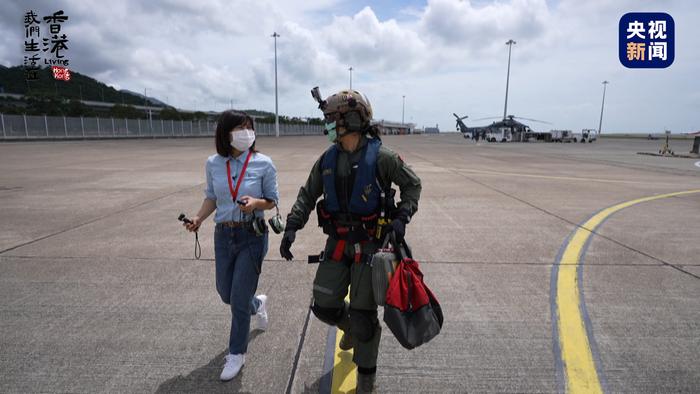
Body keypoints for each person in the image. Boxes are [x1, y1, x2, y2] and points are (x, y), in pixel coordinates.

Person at [280, 89, 421, 393]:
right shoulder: (328, 158)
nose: (328, 124)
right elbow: (308, 194)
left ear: (353, 119)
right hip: (337, 245)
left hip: (371, 247)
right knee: (324, 305)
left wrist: (402, 218)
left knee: (363, 318)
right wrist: (292, 226)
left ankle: (366, 382)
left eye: (332, 118)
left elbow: (413, 185)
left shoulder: (382, 158)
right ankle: (349, 329)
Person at [183, 110, 279, 381]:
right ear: (225, 133)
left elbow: (271, 200)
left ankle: (237, 353)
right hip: (223, 236)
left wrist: (256, 203)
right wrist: (198, 218)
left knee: (236, 298)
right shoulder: (213, 163)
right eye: (240, 128)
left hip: (252, 236)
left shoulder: (264, 163)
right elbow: (212, 197)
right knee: (226, 293)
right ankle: (257, 304)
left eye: (249, 127)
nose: (246, 132)